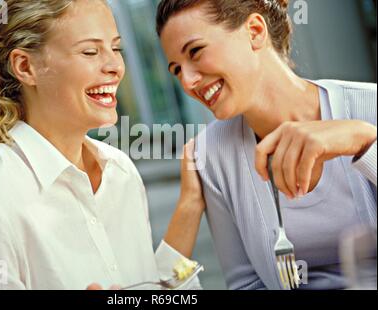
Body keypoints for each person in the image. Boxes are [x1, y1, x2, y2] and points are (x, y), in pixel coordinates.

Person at [0, 0, 205, 290]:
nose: (115, 67)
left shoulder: (121, 173)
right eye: (90, 51)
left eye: (116, 48)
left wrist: (190, 204)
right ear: (26, 66)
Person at [156, 0, 377, 289]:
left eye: (195, 52)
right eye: (176, 70)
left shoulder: (368, 107)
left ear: (255, 31)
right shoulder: (212, 154)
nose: (187, 82)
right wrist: (189, 203)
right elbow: (245, 284)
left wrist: (365, 143)